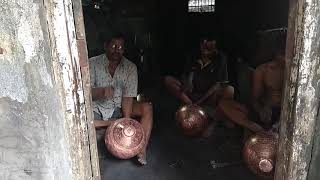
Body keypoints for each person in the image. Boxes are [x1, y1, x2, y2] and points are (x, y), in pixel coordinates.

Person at [89, 33, 153, 165]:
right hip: (95, 108)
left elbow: (128, 96)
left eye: (120, 47)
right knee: (82, 119)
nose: (117, 50)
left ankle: (141, 149)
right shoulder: (92, 63)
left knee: (147, 107)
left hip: (117, 108)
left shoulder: (130, 67)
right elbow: (85, 93)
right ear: (105, 46)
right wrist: (101, 91)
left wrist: (127, 122)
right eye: (113, 46)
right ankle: (111, 124)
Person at [164, 38, 234, 134]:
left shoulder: (221, 58)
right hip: (191, 95)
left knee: (230, 90)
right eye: (203, 44)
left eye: (209, 46)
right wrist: (187, 83)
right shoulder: (193, 54)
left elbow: (218, 84)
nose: (204, 48)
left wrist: (200, 102)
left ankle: (214, 120)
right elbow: (186, 74)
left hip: (209, 95)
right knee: (168, 80)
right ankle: (191, 106)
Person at [218, 49, 285, 133]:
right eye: (281, 55)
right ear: (276, 54)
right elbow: (255, 99)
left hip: (283, 115)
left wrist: (279, 121)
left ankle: (268, 130)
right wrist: (261, 109)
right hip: (265, 111)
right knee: (223, 103)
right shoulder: (263, 70)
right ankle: (257, 129)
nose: (283, 59)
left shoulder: (298, 72)